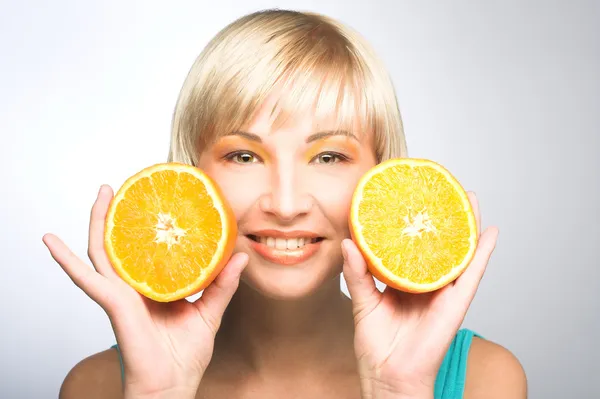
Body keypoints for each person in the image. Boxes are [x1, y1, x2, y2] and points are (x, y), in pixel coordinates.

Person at [43, 9, 527, 399]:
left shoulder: (485, 382)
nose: (287, 203)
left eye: (330, 156)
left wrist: (399, 391)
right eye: (244, 155)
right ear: (191, 176)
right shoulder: (98, 388)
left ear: (382, 177)